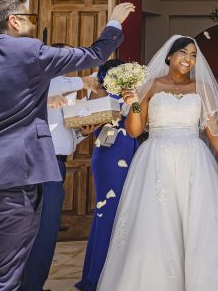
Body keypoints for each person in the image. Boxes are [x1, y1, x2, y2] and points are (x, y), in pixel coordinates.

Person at [0, 0, 131, 290]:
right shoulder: (30, 53)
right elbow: (95, 54)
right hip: (14, 180)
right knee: (3, 276)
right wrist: (114, 21)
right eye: (29, 16)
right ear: (13, 21)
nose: (33, 22)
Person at [97, 36, 218, 290]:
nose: (188, 59)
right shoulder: (150, 85)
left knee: (200, 225)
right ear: (169, 56)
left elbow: (214, 132)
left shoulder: (202, 88)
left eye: (193, 55)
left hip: (194, 160)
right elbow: (134, 131)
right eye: (183, 53)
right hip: (155, 161)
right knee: (155, 225)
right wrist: (135, 106)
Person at [21, 60, 101, 291]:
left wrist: (82, 133)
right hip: (39, 164)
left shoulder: (69, 94)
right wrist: (84, 81)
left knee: (46, 229)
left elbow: (68, 139)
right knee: (42, 229)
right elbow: (53, 83)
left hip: (57, 164)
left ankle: (31, 284)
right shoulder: (41, 85)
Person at [76, 59, 140, 291]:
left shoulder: (131, 94)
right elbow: (85, 121)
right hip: (108, 156)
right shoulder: (95, 95)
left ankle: (125, 274)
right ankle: (98, 275)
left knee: (129, 212)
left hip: (133, 153)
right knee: (107, 212)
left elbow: (139, 121)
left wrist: (133, 101)